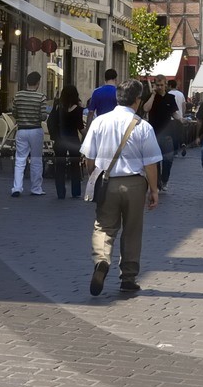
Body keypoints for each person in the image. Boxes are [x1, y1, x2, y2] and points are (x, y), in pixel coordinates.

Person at [83, 80, 162, 296]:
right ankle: (128, 277)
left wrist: (93, 176)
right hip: (135, 183)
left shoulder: (100, 122)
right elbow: (151, 163)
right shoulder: (143, 126)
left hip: (107, 181)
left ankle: (101, 260)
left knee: (104, 227)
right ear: (137, 100)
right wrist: (154, 190)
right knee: (132, 230)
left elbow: (89, 158)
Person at [46, 84, 86, 200]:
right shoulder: (78, 110)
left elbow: (50, 121)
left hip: (60, 139)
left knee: (60, 166)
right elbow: (80, 127)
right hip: (73, 139)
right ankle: (75, 191)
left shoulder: (58, 107)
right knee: (75, 165)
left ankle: (60, 192)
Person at [10, 71, 46, 197]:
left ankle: (17, 187)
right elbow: (43, 117)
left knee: (20, 159)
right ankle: (36, 188)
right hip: (36, 130)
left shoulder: (18, 95)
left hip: (21, 130)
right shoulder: (41, 97)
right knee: (36, 160)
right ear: (37, 83)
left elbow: (14, 113)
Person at [143, 78, 179, 190]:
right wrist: (153, 95)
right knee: (156, 160)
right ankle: (157, 183)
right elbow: (145, 109)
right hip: (153, 133)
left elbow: (174, 113)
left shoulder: (170, 98)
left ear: (165, 85)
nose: (159, 87)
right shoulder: (151, 96)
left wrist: (181, 119)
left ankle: (164, 180)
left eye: (161, 85)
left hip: (168, 133)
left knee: (168, 158)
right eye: (157, 85)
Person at [168, 82, 189, 156]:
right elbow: (184, 106)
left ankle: (175, 151)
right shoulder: (181, 94)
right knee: (180, 133)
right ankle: (182, 143)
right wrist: (182, 115)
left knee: (173, 134)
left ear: (169, 86)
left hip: (171, 118)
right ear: (176, 86)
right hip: (180, 117)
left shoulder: (168, 94)